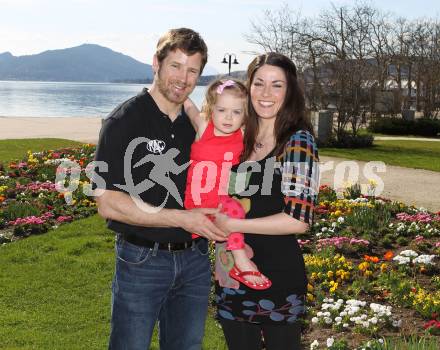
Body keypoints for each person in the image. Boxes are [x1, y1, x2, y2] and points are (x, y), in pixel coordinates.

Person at [92, 28, 228, 350]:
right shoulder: (124, 120)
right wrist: (182, 218)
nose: (183, 78)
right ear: (156, 63)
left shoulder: (195, 127)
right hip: (142, 260)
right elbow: (108, 203)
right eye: (175, 66)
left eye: (193, 70)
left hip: (194, 261)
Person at [213, 53, 320, 350]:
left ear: (290, 92)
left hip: (276, 276)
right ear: (249, 88)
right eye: (259, 83)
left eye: (277, 85)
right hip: (231, 274)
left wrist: (233, 223)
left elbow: (298, 220)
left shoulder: (297, 143)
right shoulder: (237, 137)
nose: (266, 93)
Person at [184, 78, 271, 290]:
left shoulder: (243, 136)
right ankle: (239, 261)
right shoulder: (204, 126)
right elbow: (187, 105)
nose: (228, 117)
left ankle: (238, 261)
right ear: (211, 108)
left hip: (222, 202)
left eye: (236, 112)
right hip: (197, 200)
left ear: (245, 116)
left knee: (235, 211)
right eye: (222, 110)